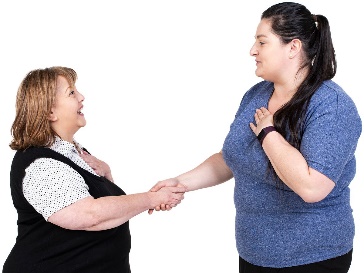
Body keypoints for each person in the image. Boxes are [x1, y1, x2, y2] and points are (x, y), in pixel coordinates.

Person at [149, 2, 362, 273]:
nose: (252, 51)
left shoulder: (330, 105)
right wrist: (180, 183)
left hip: (312, 258)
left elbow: (312, 188)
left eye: (262, 42)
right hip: (254, 255)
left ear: (293, 47)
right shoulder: (257, 95)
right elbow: (231, 158)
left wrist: (268, 133)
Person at [3, 66, 186, 273]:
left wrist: (107, 177)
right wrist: (151, 199)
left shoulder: (74, 153)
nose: (81, 97)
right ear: (49, 111)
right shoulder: (41, 165)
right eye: (71, 93)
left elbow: (104, 209)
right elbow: (89, 215)